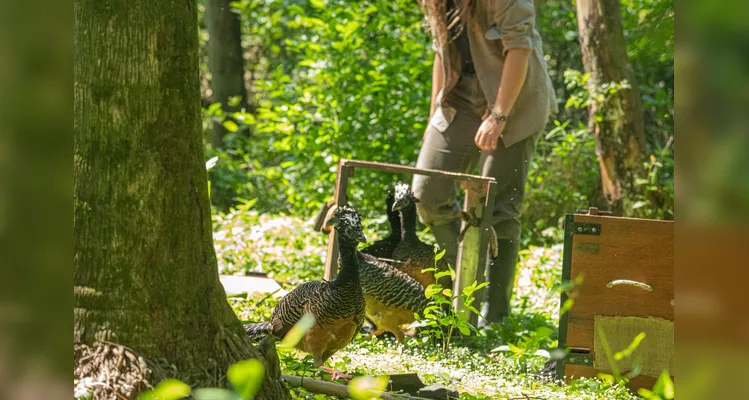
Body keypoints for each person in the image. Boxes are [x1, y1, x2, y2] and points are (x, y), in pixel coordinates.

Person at [413, 0, 557, 325]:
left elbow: (519, 48)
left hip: (514, 100)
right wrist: (432, 113)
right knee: (428, 192)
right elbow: (441, 51)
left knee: (498, 208)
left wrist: (499, 114)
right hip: (460, 100)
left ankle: (495, 315)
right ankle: (468, 284)